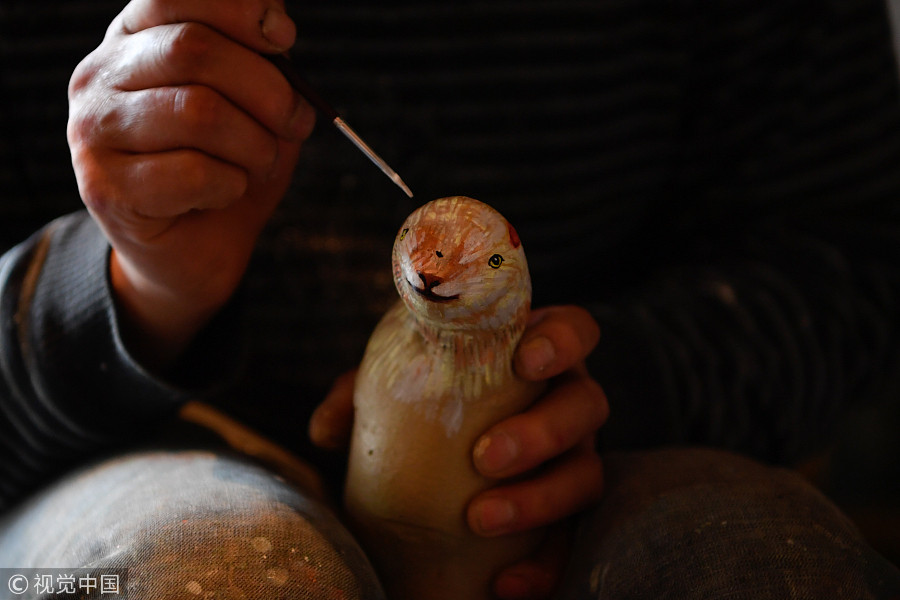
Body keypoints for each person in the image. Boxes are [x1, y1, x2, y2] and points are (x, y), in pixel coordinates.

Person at [0, 0, 898, 597]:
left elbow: (847, 256)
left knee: (758, 561)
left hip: (622, 443)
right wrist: (135, 288)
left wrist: (603, 380)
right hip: (111, 451)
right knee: (215, 572)